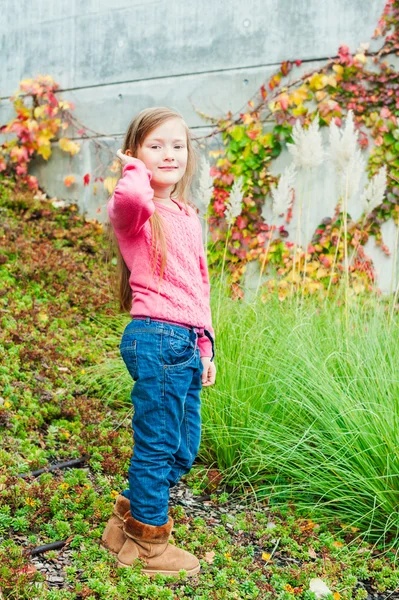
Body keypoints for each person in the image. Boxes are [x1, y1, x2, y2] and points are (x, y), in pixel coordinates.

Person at [100, 106, 216, 577]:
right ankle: (148, 544)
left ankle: (125, 520)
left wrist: (206, 348)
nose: (169, 153)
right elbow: (127, 198)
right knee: (157, 444)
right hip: (157, 337)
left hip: (186, 341)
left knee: (183, 448)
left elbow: (198, 289)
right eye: (155, 145)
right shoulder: (137, 210)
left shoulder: (187, 214)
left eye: (178, 145)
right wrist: (132, 169)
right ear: (135, 154)